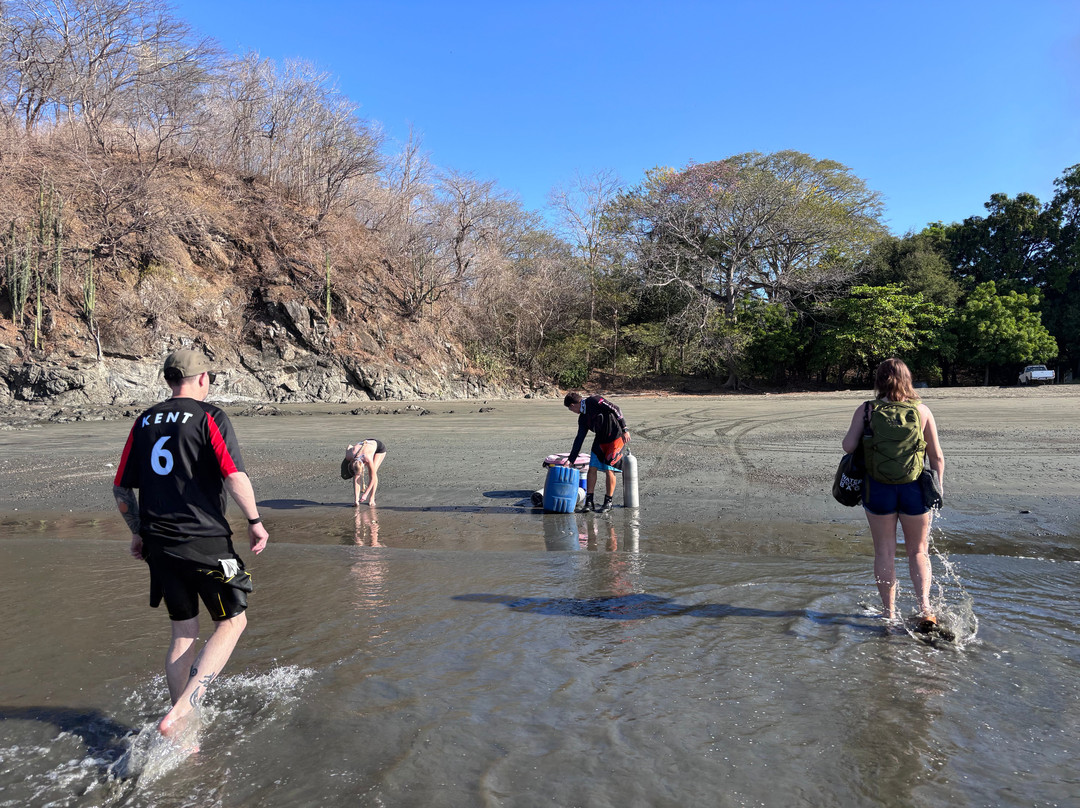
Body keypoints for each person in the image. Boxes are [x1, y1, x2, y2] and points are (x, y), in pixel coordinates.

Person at [113, 349, 269, 739]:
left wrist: (137, 531)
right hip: (207, 542)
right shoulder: (209, 416)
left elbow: (121, 487)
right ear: (202, 379)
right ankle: (184, 710)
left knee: (183, 631)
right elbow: (233, 475)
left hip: (159, 545)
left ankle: (180, 722)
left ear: (168, 380)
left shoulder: (144, 420)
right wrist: (255, 521)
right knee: (234, 621)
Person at [842, 358, 944, 629]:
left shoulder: (866, 410)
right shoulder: (921, 410)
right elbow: (937, 457)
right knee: (918, 551)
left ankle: (888, 613)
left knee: (885, 552)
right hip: (914, 488)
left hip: (878, 488)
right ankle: (925, 609)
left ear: (878, 381)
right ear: (907, 380)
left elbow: (848, 446)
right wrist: (938, 489)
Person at [560, 392, 630, 513]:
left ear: (572, 405)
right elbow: (579, 439)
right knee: (592, 468)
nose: (572, 411)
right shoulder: (582, 418)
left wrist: (625, 429)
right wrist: (571, 460)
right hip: (600, 439)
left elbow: (615, 408)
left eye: (570, 409)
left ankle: (608, 502)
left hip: (616, 437)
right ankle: (589, 501)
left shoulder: (593, 400)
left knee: (609, 469)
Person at [342, 439, 386, 506]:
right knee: (356, 475)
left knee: (372, 472)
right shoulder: (349, 456)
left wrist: (365, 494)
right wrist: (356, 500)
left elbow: (373, 478)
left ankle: (372, 498)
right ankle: (356, 500)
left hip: (378, 448)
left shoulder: (367, 458)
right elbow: (349, 446)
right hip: (363, 447)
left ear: (363, 464)